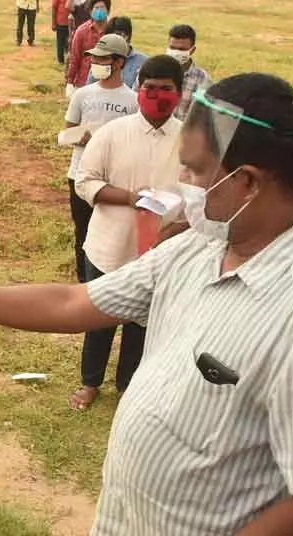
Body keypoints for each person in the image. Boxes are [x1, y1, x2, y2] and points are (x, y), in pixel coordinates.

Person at [0, 73, 293, 536]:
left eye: (195, 168)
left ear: (248, 182)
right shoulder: (200, 246)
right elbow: (71, 302)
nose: (181, 179)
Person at [69, 55, 185, 411]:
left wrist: (178, 227)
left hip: (162, 252)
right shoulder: (112, 133)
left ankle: (128, 388)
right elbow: (85, 183)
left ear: (179, 93)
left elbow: (204, 198)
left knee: (143, 324)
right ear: (138, 89)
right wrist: (132, 199)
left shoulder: (191, 139)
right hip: (109, 247)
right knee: (98, 318)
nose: (157, 95)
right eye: (150, 88)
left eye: (166, 89)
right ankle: (90, 383)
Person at [63, 34, 138, 284]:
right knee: (82, 234)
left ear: (118, 62)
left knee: (112, 236)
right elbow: (66, 133)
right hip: (81, 175)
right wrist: (81, 137)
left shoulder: (133, 101)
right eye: (93, 58)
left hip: (115, 182)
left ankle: (108, 283)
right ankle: (84, 285)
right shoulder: (83, 95)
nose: (95, 62)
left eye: (101, 58)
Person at [66, 0, 112, 93]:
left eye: (102, 7)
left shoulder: (113, 30)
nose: (99, 10)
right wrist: (70, 82)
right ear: (91, 12)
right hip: (84, 82)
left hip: (107, 82)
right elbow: (75, 57)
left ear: (108, 11)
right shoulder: (82, 31)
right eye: (96, 8)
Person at [86, 17, 148, 90]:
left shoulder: (142, 62)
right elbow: (89, 86)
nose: (114, 40)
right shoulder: (100, 60)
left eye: (118, 35)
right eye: (110, 36)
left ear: (127, 36)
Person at [166, 24, 212, 120]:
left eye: (182, 49)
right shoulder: (154, 70)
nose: (176, 52)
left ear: (192, 50)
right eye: (172, 48)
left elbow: (201, 117)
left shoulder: (203, 79)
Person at [51, 0, 75, 65]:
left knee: (72, 42)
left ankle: (71, 60)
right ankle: (60, 60)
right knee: (60, 43)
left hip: (73, 22)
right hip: (61, 21)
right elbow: (54, 7)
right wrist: (53, 22)